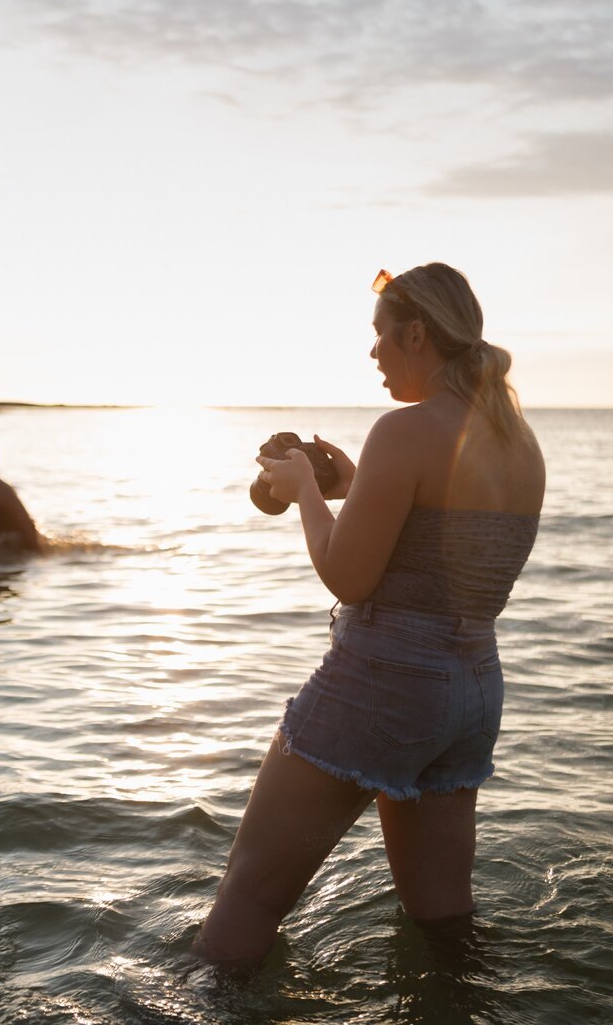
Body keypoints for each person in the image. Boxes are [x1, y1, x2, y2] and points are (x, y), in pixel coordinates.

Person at [193, 262, 545, 967]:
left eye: (380, 336)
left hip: (383, 684)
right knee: (444, 917)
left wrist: (303, 491)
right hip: (472, 691)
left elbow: (350, 578)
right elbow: (439, 539)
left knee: (250, 899)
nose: (373, 353)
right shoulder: (517, 441)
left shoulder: (404, 429)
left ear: (416, 335)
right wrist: (355, 483)